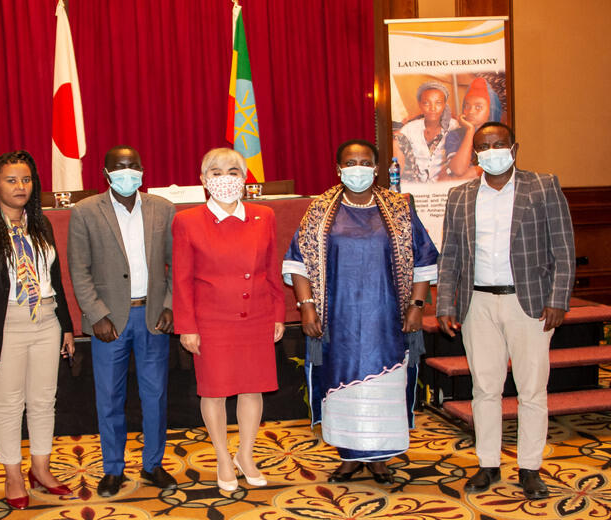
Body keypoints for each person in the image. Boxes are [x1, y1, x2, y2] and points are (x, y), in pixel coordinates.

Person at [283, 139, 438, 484]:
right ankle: (349, 457)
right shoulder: (320, 210)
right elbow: (297, 261)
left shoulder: (399, 207)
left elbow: (425, 259)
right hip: (338, 320)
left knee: (384, 388)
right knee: (344, 389)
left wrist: (416, 306)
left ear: (377, 167)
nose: (358, 168)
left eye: (364, 162)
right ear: (338, 170)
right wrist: (307, 308)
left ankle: (380, 458)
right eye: (350, 163)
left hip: (388, 318)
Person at [436, 122, 575, 500]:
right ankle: (488, 464)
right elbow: (450, 256)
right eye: (484, 146)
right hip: (477, 303)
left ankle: (530, 468)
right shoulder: (460, 195)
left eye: (499, 144)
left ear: (514, 148)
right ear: (476, 154)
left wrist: (559, 299)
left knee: (532, 390)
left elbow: (563, 250)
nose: (491, 151)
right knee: (485, 389)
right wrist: (446, 303)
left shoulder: (543, 187)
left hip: (528, 303)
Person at [0, 150, 76, 510]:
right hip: (6, 323)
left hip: (46, 319)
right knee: (9, 404)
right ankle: (12, 473)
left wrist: (67, 328)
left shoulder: (40, 223)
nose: (20, 186)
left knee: (43, 401)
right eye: (11, 180)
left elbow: (55, 278)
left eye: (26, 180)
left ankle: (41, 469)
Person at [67, 145, 178, 497]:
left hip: (152, 316)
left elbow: (178, 264)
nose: (127, 174)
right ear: (106, 172)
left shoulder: (163, 209)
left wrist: (171, 304)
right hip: (109, 321)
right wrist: (96, 314)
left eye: (133, 167)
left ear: (143, 170)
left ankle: (152, 465)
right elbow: (79, 270)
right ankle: (112, 469)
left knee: (155, 395)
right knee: (110, 397)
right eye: (119, 168)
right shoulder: (85, 212)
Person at [172, 147, 285, 492]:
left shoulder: (263, 215)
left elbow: (271, 269)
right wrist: (187, 327)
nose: (225, 178)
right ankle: (223, 456)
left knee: (253, 388)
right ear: (203, 180)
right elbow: (181, 279)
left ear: (245, 177)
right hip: (212, 321)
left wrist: (279, 313)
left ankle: (245, 455)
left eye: (233, 171)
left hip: (256, 315)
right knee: (216, 392)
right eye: (216, 172)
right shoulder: (187, 220)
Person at [394, 81, 461, 183]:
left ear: (444, 105)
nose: (432, 108)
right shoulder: (411, 128)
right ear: (420, 105)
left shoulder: (454, 126)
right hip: (417, 187)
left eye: (438, 103)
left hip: (445, 185)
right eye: (426, 103)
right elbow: (396, 142)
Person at [445, 77, 504, 179]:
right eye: (467, 106)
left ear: (490, 110)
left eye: (478, 107)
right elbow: (458, 169)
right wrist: (470, 131)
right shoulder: (454, 135)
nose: (471, 111)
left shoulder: (500, 136)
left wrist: (474, 171)